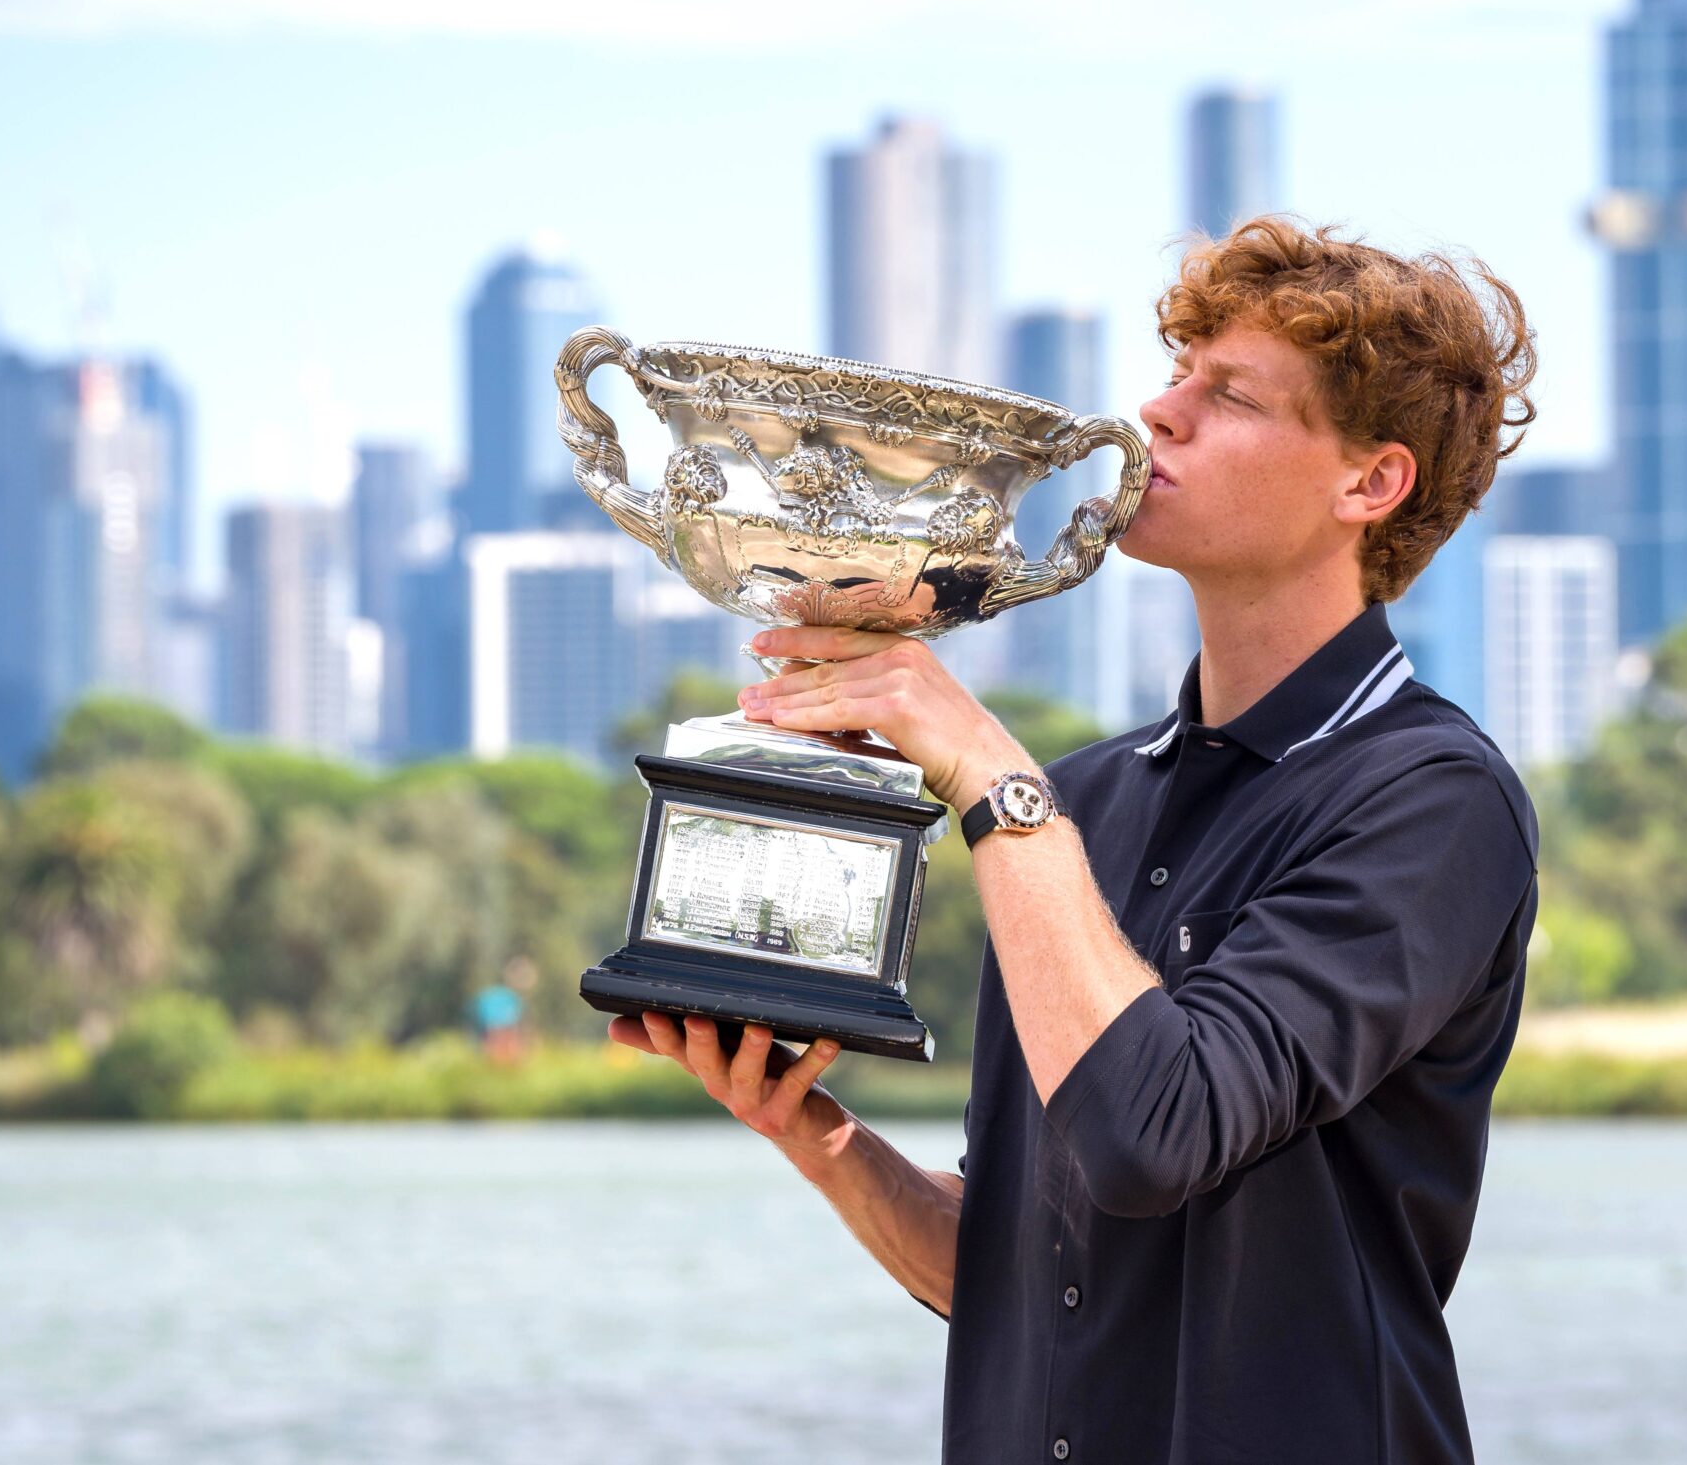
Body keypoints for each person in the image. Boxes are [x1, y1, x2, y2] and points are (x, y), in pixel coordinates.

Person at [611, 217, 1541, 1463]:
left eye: (1230, 395)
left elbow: (1153, 1130)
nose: (1159, 414)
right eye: (1176, 374)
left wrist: (992, 776)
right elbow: (1018, 1278)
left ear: (1368, 484)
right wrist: (823, 1140)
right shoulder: (1082, 804)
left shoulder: (1430, 800)